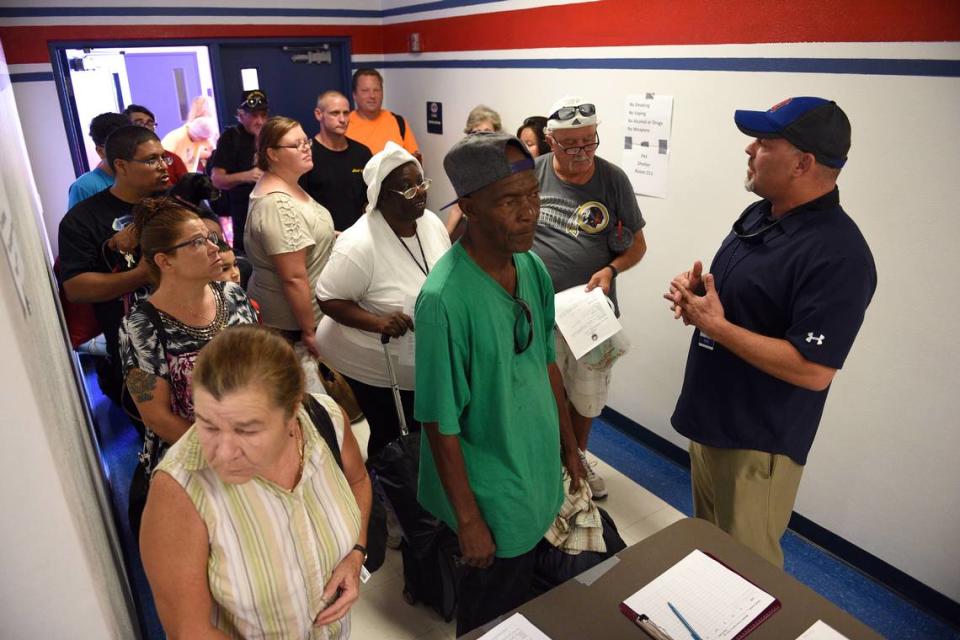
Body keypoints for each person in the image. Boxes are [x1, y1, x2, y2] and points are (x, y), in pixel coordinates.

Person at [666, 97, 876, 568]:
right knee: (709, 552)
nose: (749, 150)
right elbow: (749, 305)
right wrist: (698, 297)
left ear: (803, 163)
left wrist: (716, 325)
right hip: (712, 420)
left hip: (756, 442)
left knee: (747, 571)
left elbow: (813, 370)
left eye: (764, 142)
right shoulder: (764, 215)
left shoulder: (839, 254)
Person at [414, 132, 583, 636]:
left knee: (528, 600)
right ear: (468, 206)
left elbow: (546, 363)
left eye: (532, 196)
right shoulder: (444, 300)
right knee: (490, 616)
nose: (529, 212)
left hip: (531, 466)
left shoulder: (530, 266)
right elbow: (438, 423)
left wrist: (570, 446)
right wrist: (468, 521)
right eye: (510, 202)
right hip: (489, 487)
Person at [140, 325, 372, 639]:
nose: (222, 451)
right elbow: (189, 630)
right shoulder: (179, 490)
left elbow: (358, 481)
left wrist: (355, 553)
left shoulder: (326, 419)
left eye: (247, 430)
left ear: (292, 412)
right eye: (207, 423)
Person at [118, 197, 258, 535]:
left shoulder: (232, 295)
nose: (214, 248)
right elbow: (156, 416)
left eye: (212, 238)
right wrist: (226, 454)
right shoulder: (140, 326)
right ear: (165, 261)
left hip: (256, 444)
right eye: (197, 242)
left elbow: (263, 367)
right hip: (194, 462)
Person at [532, 96, 648, 499]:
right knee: (544, 393)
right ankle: (550, 463)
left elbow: (638, 246)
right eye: (571, 145)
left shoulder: (613, 180)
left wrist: (611, 270)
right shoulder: (532, 176)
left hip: (591, 313)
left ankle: (577, 460)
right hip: (540, 310)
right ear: (550, 141)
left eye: (590, 141)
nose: (582, 152)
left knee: (585, 397)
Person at [316, 142, 450, 459]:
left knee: (422, 428)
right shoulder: (359, 244)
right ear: (380, 198)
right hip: (368, 360)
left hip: (414, 354)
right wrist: (378, 322)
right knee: (392, 435)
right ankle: (387, 494)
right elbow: (328, 299)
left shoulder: (429, 222)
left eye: (420, 182)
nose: (418, 192)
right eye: (405, 188)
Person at [58, 125, 171, 403]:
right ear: (120, 165)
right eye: (151, 159)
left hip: (193, 340)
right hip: (135, 351)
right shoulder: (83, 219)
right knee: (155, 432)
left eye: (163, 157)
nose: (162, 166)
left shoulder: (173, 205)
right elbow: (77, 288)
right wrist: (142, 274)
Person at [245, 116, 335, 359]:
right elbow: (293, 278)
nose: (306, 148)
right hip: (291, 328)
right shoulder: (277, 205)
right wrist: (309, 331)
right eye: (296, 145)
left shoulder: (288, 184)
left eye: (306, 141)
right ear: (272, 154)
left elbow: (308, 232)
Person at [299, 90, 373, 231]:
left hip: (357, 238)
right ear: (318, 114)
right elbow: (300, 207)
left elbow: (371, 200)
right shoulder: (306, 154)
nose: (342, 119)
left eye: (346, 113)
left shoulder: (362, 153)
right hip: (321, 240)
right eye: (335, 113)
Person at [208, 90, 270, 253]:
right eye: (254, 115)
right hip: (244, 214)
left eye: (263, 115)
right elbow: (217, 179)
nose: (260, 121)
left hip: (272, 211)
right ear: (241, 115)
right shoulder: (231, 137)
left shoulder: (271, 135)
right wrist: (247, 176)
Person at [444, 106, 505, 239]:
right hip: (470, 221)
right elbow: (458, 205)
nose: (482, 137)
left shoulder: (505, 160)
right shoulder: (464, 162)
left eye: (487, 131)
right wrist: (445, 237)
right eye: (476, 132)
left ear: (496, 133)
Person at [348, 68, 421, 162]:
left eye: (376, 90)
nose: (372, 96)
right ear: (354, 95)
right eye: (365, 91)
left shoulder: (398, 122)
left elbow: (415, 163)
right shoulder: (344, 124)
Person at [67, 112, 131, 208]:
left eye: (130, 143)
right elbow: (77, 222)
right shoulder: (84, 187)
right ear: (100, 151)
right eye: (118, 145)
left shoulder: (138, 176)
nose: (127, 150)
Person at [124, 104, 189, 183]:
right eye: (139, 123)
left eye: (150, 123)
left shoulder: (172, 158)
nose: (146, 127)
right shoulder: (124, 162)